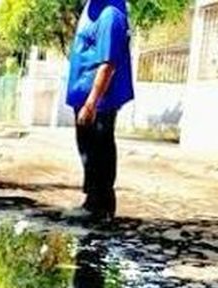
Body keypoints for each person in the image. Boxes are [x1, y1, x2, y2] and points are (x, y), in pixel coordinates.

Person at [66, 0, 134, 222]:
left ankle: (102, 207)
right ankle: (92, 201)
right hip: (84, 97)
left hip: (99, 102)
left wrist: (91, 103)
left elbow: (108, 65)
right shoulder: (91, 9)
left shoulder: (110, 15)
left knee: (99, 149)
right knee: (87, 149)